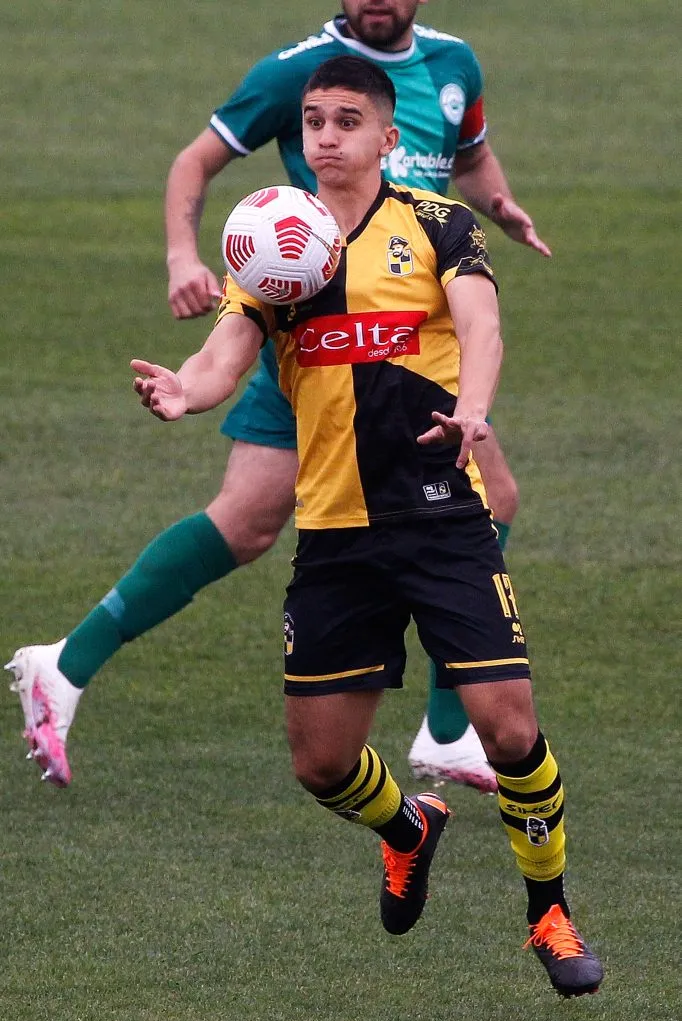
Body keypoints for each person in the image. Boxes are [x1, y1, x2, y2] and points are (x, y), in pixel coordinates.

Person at [130, 55, 603, 998]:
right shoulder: (276, 239)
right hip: (337, 532)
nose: (325, 136)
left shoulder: (437, 224)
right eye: (312, 121)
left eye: (348, 120)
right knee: (321, 764)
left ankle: (547, 911)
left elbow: (482, 327)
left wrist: (473, 409)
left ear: (390, 137)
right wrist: (189, 391)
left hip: (442, 520)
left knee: (509, 732)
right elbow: (226, 352)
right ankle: (407, 827)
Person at [6, 0, 551, 789]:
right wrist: (178, 262)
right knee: (474, 497)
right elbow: (194, 161)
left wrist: (496, 203)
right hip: (308, 309)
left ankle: (67, 662)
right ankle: (446, 731)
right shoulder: (297, 72)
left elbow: (466, 156)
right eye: (317, 125)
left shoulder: (453, 63)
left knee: (257, 518)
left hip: (410, 296)